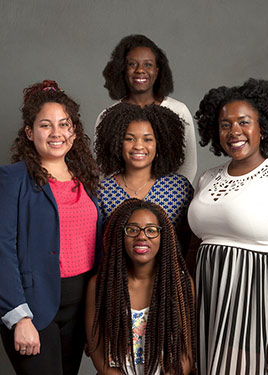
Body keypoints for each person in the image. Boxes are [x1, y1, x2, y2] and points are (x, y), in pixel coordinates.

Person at [188, 78, 268, 375]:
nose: (234, 131)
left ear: (263, 127)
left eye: (244, 122)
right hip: (208, 305)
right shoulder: (207, 178)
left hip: (256, 306)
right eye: (225, 124)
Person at [0, 80, 102, 375]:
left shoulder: (87, 179)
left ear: (74, 130)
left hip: (79, 308)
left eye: (64, 124)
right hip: (32, 309)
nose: (56, 133)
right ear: (30, 133)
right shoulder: (13, 179)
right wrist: (18, 317)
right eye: (46, 125)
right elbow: (2, 250)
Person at [86, 198, 196, 375]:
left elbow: (186, 356)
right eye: (132, 230)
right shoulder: (100, 285)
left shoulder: (180, 285)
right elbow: (97, 353)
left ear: (163, 236)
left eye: (151, 230)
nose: (142, 236)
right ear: (120, 235)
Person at [95, 34, 197, 184]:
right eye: (132, 64)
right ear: (123, 70)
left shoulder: (178, 110)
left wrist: (170, 196)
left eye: (147, 64)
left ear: (157, 71)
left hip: (167, 200)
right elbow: (103, 167)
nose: (140, 70)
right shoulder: (108, 117)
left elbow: (188, 165)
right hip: (122, 201)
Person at [95, 101, 194, 256]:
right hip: (116, 277)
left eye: (147, 139)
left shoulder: (179, 188)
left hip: (169, 277)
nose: (138, 146)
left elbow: (190, 242)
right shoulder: (102, 191)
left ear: (160, 144)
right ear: (116, 143)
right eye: (129, 138)